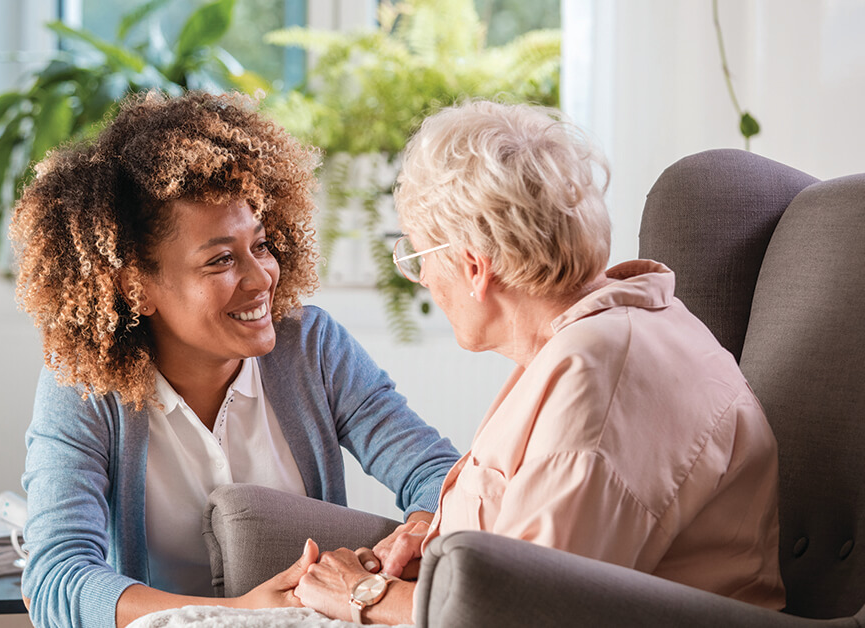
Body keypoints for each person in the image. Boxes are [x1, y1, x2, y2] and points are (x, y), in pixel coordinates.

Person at [293, 100, 786, 624]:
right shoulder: (595, 338)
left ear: (474, 266)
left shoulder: (599, 375)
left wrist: (365, 594)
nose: (425, 281)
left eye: (416, 258)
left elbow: (532, 610)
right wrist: (440, 546)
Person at [10, 90, 460, 628]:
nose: (261, 277)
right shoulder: (82, 387)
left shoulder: (312, 348)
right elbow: (57, 579)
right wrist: (235, 615)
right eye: (221, 259)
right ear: (136, 287)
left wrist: (420, 525)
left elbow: (438, 472)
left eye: (262, 245)